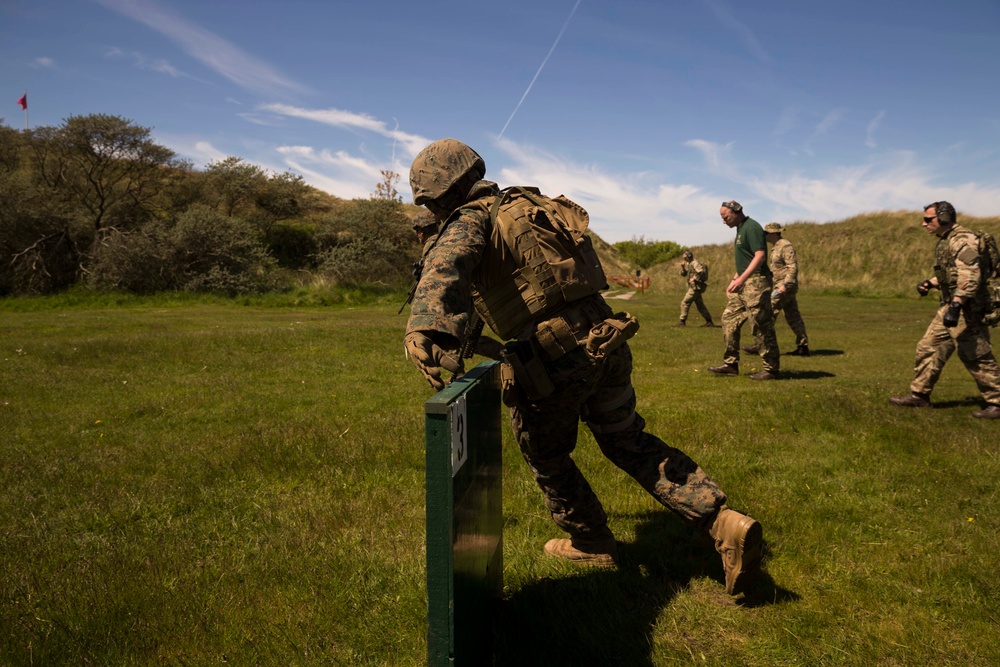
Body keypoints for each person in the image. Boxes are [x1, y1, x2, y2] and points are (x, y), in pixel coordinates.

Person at [403, 138, 762, 594]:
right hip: (605, 338)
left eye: (432, 201)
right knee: (626, 439)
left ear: (442, 190)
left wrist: (426, 328)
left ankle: (591, 540)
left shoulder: (471, 218)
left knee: (546, 453)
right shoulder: (533, 204)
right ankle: (723, 522)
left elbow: (446, 267)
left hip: (555, 359)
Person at [889, 201, 1000, 419]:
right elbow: (952, 274)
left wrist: (956, 305)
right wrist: (930, 283)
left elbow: (970, 275)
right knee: (929, 347)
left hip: (966, 308)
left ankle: (997, 402)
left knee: (976, 354)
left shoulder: (961, 239)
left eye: (928, 219)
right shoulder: (948, 240)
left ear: (945, 218)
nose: (924, 224)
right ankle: (919, 396)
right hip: (951, 306)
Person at [708, 201, 780, 380]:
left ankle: (770, 368)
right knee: (728, 318)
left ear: (736, 211)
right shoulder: (740, 229)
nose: (724, 222)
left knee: (760, 325)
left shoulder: (752, 227)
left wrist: (742, 279)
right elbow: (746, 259)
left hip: (757, 283)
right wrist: (735, 279)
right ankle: (730, 364)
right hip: (744, 283)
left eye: (726, 217)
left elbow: (760, 256)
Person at [743, 223, 810, 356]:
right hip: (780, 285)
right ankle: (803, 346)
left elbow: (792, 267)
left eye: (766, 233)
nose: (764, 236)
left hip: (784, 287)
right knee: (793, 315)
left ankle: (761, 345)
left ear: (773, 233)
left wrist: (786, 285)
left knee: (767, 313)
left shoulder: (785, 245)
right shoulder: (776, 247)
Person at [673, 250, 716, 327]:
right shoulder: (689, 263)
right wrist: (683, 267)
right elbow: (684, 274)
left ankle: (682, 322)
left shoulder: (694, 263)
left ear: (689, 256)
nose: (684, 259)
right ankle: (709, 322)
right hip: (695, 287)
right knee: (700, 306)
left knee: (685, 303)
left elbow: (701, 271)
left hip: (695, 287)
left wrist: (694, 278)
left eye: (685, 257)